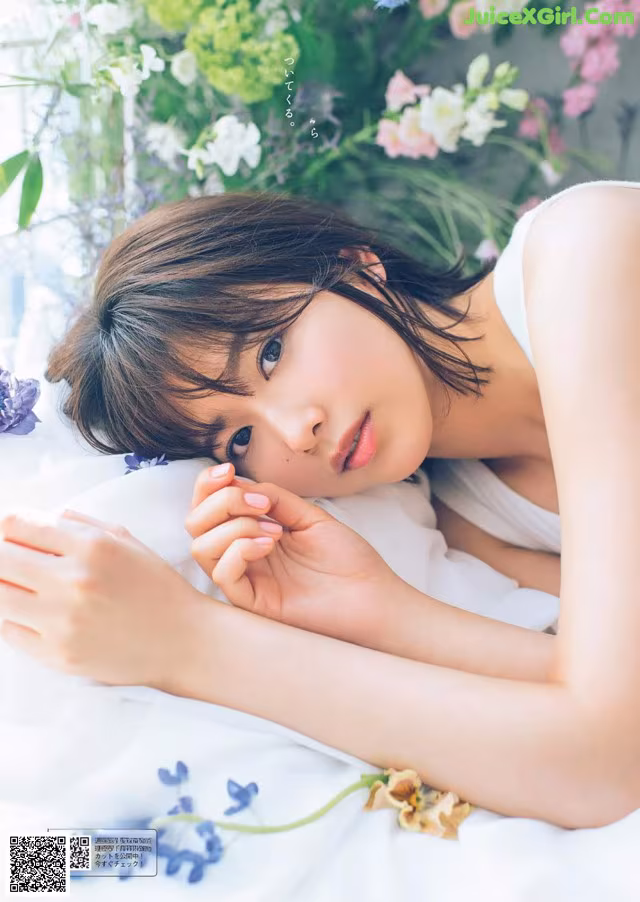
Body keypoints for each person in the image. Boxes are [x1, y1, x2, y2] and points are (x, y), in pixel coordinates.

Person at [3, 178, 639, 829]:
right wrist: (384, 611)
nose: (292, 430)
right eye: (240, 439)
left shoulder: (582, 256)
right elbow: (614, 704)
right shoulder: (471, 522)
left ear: (355, 267)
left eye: (271, 351)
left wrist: (192, 644)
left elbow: (607, 756)